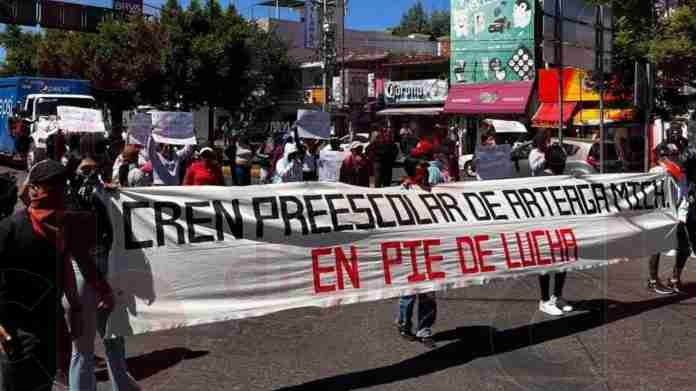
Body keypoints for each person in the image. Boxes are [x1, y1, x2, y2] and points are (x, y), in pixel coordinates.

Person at [0, 160, 94, 390]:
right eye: (51, 186)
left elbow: (66, 266)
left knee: (45, 384)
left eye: (61, 186)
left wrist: (76, 309)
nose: (58, 192)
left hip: (52, 326)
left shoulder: (64, 227)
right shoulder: (9, 229)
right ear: (33, 189)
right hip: (18, 331)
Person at [67, 158, 140, 391]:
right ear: (74, 172)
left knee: (115, 340)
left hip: (107, 265)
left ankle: (123, 387)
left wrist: (110, 195)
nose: (91, 174)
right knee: (82, 350)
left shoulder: (103, 196)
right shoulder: (67, 199)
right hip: (81, 271)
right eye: (85, 169)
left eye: (94, 169)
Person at [530, 139, 574, 316]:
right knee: (546, 265)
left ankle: (557, 296)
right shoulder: (541, 179)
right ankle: (545, 299)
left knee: (563, 263)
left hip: (562, 227)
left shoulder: (563, 178)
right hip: (545, 228)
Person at [396, 157, 437, 348]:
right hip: (410, 246)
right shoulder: (403, 190)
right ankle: (404, 324)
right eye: (422, 166)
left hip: (430, 246)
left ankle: (425, 329)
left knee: (429, 290)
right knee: (409, 290)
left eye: (426, 166)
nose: (426, 169)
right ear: (413, 169)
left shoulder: (434, 189)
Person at [647, 142, 695, 294]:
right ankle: (653, 280)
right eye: (671, 155)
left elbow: (684, 196)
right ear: (663, 157)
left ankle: (675, 279)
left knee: (685, 248)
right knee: (657, 247)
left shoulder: (681, 173)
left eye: (676, 155)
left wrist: (682, 216)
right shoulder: (655, 172)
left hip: (676, 216)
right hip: (660, 216)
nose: (675, 158)